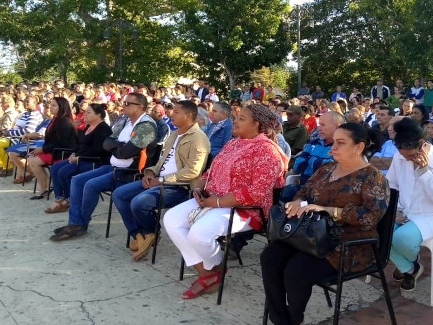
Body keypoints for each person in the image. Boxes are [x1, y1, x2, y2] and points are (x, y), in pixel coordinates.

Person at [259, 123, 389, 325]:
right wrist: (298, 202)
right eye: (334, 142)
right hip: (310, 235)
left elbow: (370, 217)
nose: (333, 148)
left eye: (341, 143)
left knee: (296, 270)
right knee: (270, 256)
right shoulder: (327, 168)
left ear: (358, 147)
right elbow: (303, 192)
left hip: (347, 244)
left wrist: (328, 210)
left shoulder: (373, 178)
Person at [163, 104, 287, 300]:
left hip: (245, 209)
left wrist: (217, 202)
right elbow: (210, 172)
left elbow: (256, 192)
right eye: (237, 117)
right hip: (212, 199)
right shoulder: (233, 143)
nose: (235, 121)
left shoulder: (267, 151)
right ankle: (210, 273)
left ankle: (211, 273)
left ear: (257, 124)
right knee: (171, 219)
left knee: (199, 233)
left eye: (242, 118)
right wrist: (200, 186)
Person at [50, 93, 158, 241]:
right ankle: (76, 223)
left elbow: (126, 152)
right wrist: (118, 147)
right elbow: (107, 142)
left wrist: (117, 148)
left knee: (90, 184)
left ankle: (80, 224)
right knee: (77, 180)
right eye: (124, 102)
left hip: (129, 173)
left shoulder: (146, 126)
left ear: (139, 107)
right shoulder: (125, 120)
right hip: (112, 167)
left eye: (128, 103)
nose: (123, 105)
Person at [112, 100, 210, 261]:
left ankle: (151, 232)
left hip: (179, 187)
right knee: (119, 194)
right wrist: (150, 173)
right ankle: (140, 235)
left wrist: (162, 180)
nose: (172, 114)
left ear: (188, 115)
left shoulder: (199, 138)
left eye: (177, 112)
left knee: (138, 202)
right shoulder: (174, 134)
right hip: (160, 181)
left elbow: (193, 171)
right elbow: (161, 162)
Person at [387, 117, 433, 291]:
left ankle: (405, 264)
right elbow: (391, 186)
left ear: (422, 144)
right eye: (404, 156)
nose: (408, 159)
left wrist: (425, 172)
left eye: (411, 155)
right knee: (376, 232)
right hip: (404, 211)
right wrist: (395, 211)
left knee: (401, 238)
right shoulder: (399, 156)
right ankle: (410, 268)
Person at [45, 103, 113, 214]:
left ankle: (68, 200)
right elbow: (80, 145)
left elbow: (98, 150)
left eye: (89, 112)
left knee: (64, 172)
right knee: (55, 168)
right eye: (85, 112)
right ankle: (60, 198)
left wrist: (79, 158)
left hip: (95, 161)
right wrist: (74, 153)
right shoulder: (88, 126)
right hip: (81, 157)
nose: (85, 114)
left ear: (99, 115)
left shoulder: (103, 129)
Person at [280, 111, 345, 202]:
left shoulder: (343, 147)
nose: (319, 129)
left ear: (337, 126)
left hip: (326, 193)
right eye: (319, 125)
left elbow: (330, 171)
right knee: (284, 193)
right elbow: (297, 165)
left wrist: (310, 160)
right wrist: (318, 163)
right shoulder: (314, 142)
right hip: (305, 188)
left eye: (323, 125)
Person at [26, 97, 78, 199]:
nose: (51, 107)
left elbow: (62, 142)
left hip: (63, 152)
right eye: (51, 104)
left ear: (62, 107)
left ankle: (44, 188)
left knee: (34, 161)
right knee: (30, 158)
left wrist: (43, 149)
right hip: (53, 149)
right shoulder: (55, 119)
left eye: (54, 105)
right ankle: (44, 187)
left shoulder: (64, 121)